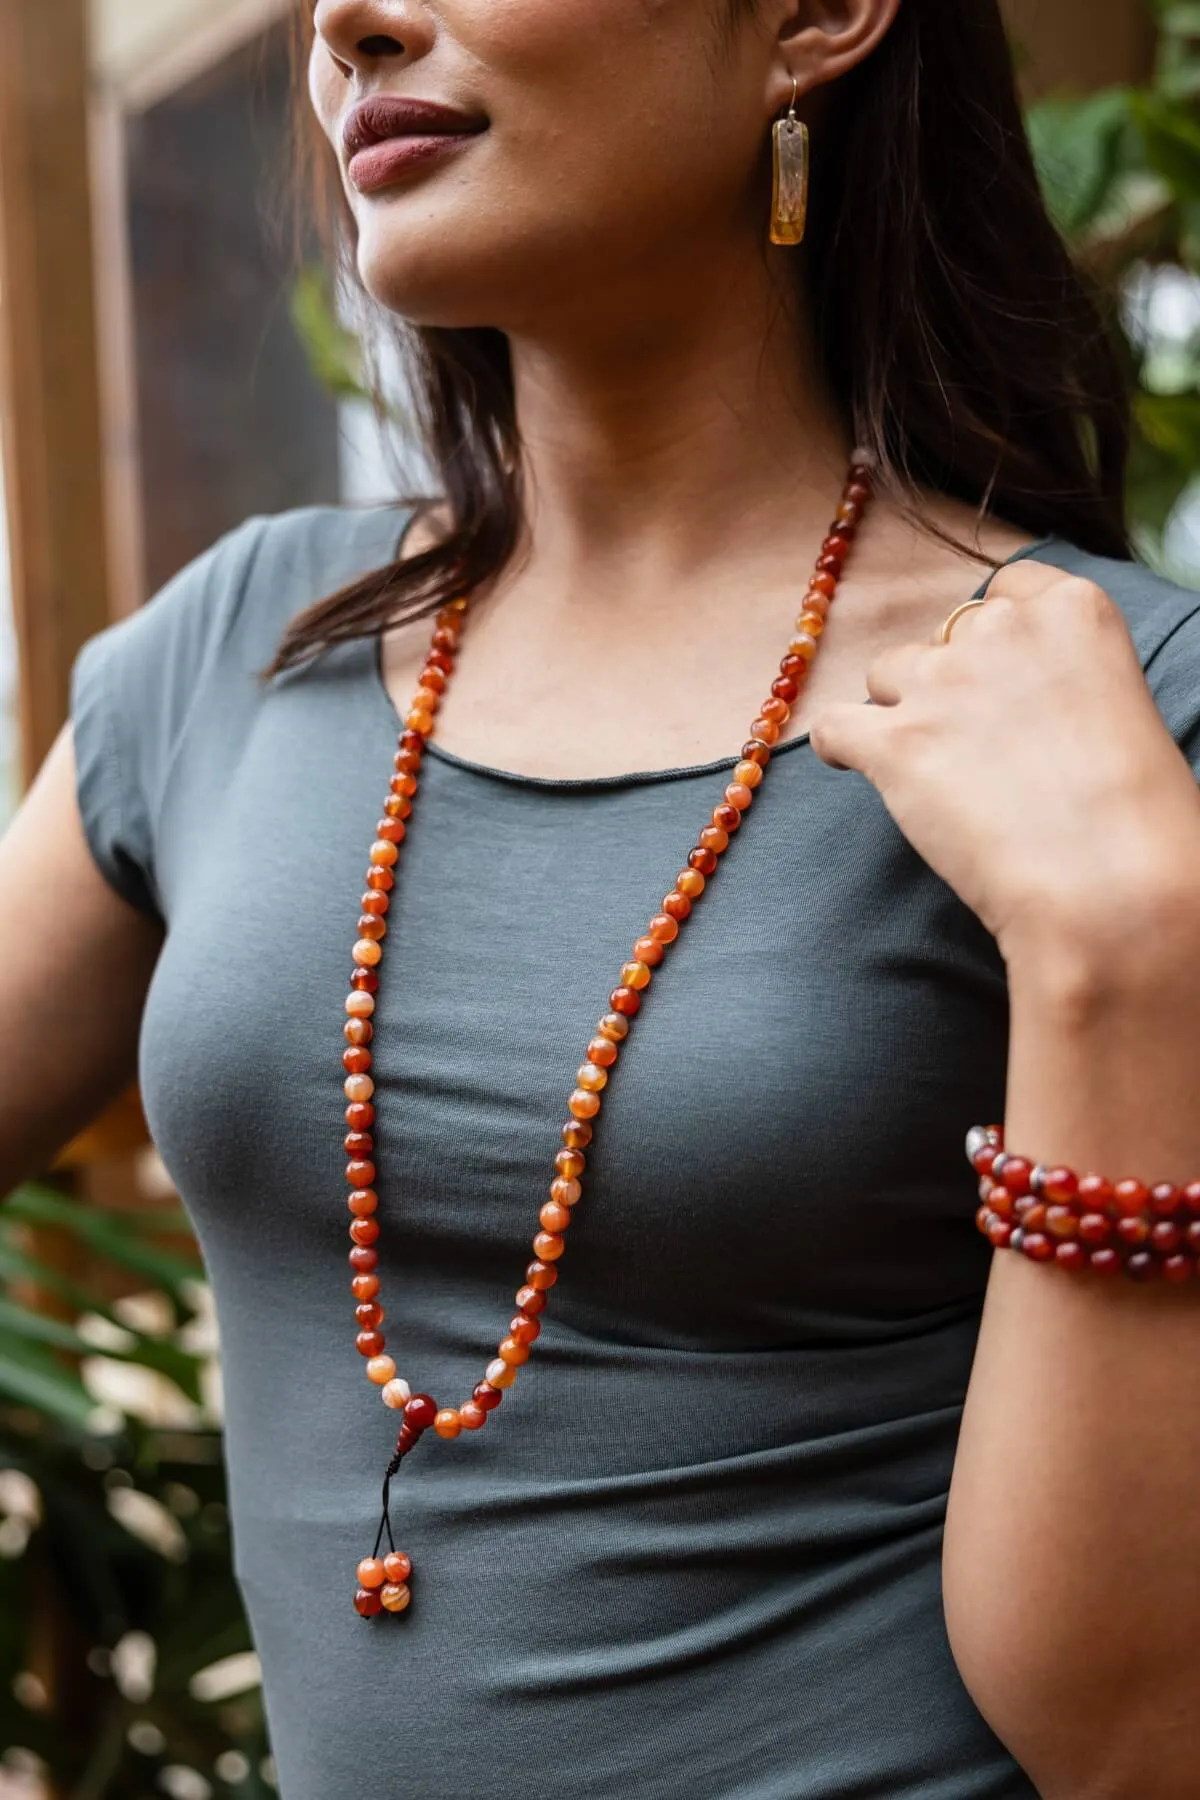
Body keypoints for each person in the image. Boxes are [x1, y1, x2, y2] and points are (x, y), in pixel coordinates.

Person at [2, 1, 1199, 1795]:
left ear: (814, 19)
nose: (347, 21)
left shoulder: (1126, 718)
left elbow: (1137, 1736)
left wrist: (1121, 954)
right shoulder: (236, 647)